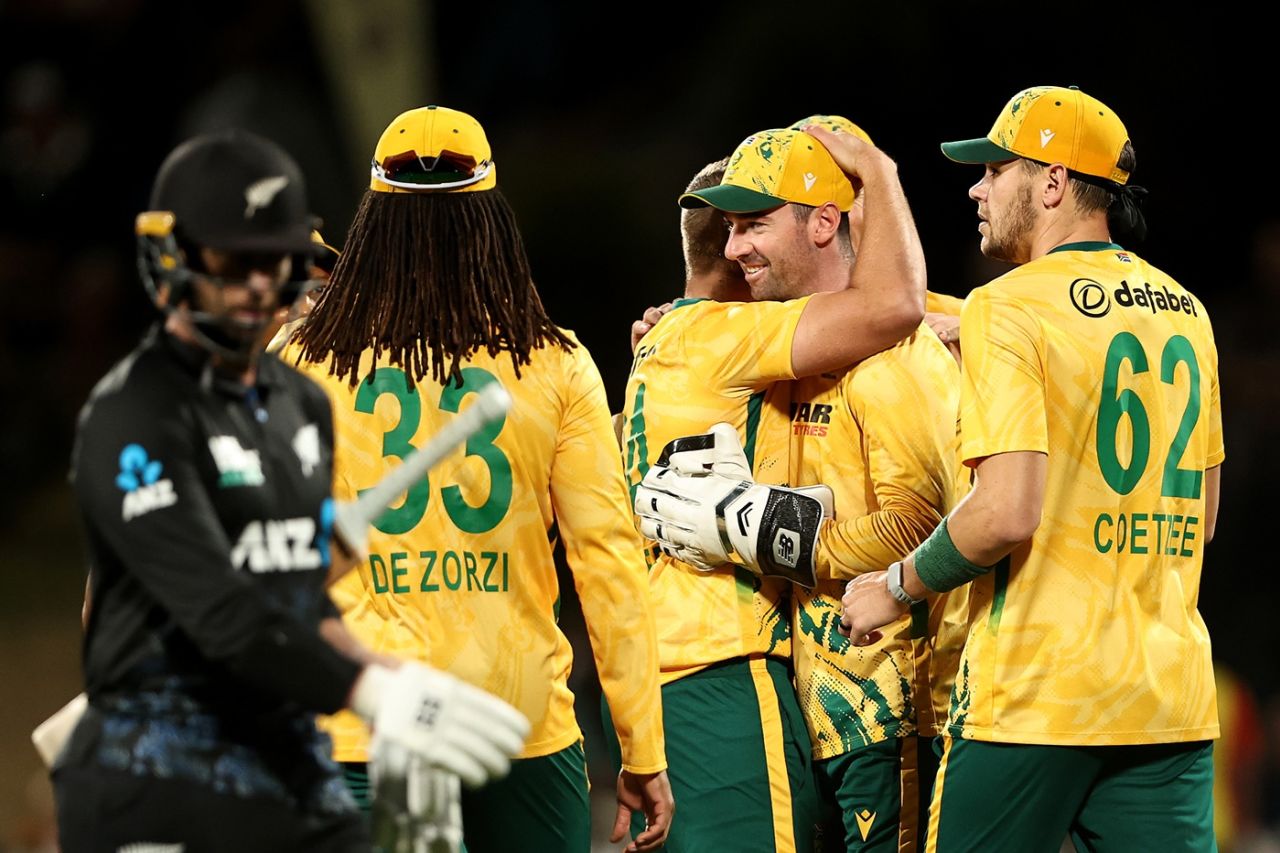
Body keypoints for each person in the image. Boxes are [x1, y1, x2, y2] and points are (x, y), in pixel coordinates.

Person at [56, 129, 528, 853]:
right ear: (175, 265)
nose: (274, 292)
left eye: (301, 276)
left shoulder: (300, 407)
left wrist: (404, 685)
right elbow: (217, 610)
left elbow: (295, 605)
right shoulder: (137, 416)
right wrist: (371, 687)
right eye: (239, 264)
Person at [839, 85, 1223, 851]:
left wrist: (891, 588)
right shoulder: (1187, 310)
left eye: (995, 169)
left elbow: (1005, 512)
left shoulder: (1008, 306)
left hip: (1035, 695)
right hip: (1168, 701)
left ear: (1052, 183)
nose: (977, 188)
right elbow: (1202, 522)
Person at [284, 105, 673, 853]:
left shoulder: (303, 362)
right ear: (491, 217)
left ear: (371, 220)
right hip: (517, 723)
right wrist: (641, 748)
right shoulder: (554, 363)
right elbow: (610, 568)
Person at [638, 117, 960, 852]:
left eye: (754, 225)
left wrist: (761, 534)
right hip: (815, 713)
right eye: (730, 228)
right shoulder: (786, 349)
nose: (735, 247)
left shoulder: (891, 356)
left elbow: (920, 522)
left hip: (890, 708)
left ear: (824, 223)